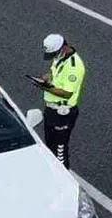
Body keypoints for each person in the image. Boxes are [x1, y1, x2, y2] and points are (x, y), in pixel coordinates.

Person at [26, 34, 86, 168]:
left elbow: (67, 93)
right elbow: (54, 73)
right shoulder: (60, 58)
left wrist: (45, 87)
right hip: (51, 110)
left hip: (63, 113)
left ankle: (64, 174)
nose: (53, 57)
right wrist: (46, 78)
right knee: (50, 146)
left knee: (60, 150)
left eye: (54, 54)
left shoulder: (74, 66)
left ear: (63, 48)